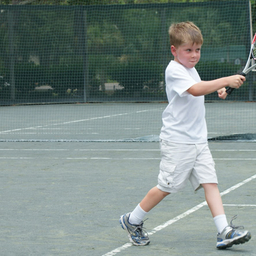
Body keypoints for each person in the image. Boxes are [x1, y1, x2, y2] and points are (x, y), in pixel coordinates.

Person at [119, 21, 251, 250]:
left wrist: (220, 88)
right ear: (174, 50)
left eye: (197, 50)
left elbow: (199, 88)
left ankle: (224, 231)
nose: (194, 55)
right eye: (188, 50)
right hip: (178, 142)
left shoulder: (190, 69)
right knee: (166, 187)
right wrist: (226, 80)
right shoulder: (174, 70)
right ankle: (132, 220)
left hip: (199, 141)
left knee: (211, 183)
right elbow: (195, 90)